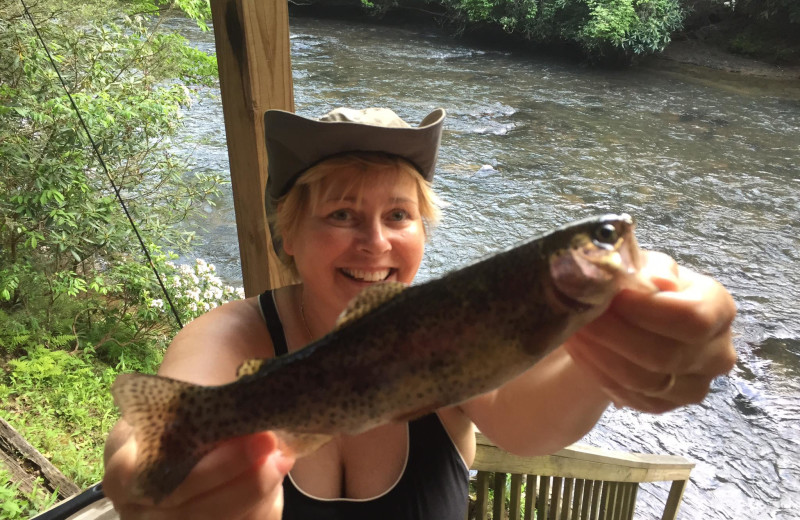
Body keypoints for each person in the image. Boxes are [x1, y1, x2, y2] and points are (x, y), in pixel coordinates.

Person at [102, 107, 737, 520]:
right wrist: (143, 479)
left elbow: (529, 423)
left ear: (423, 232)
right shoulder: (230, 332)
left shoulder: (446, 341)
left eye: (399, 215)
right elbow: (152, 430)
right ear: (288, 235)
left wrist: (620, 346)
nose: (374, 242)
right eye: (341, 214)